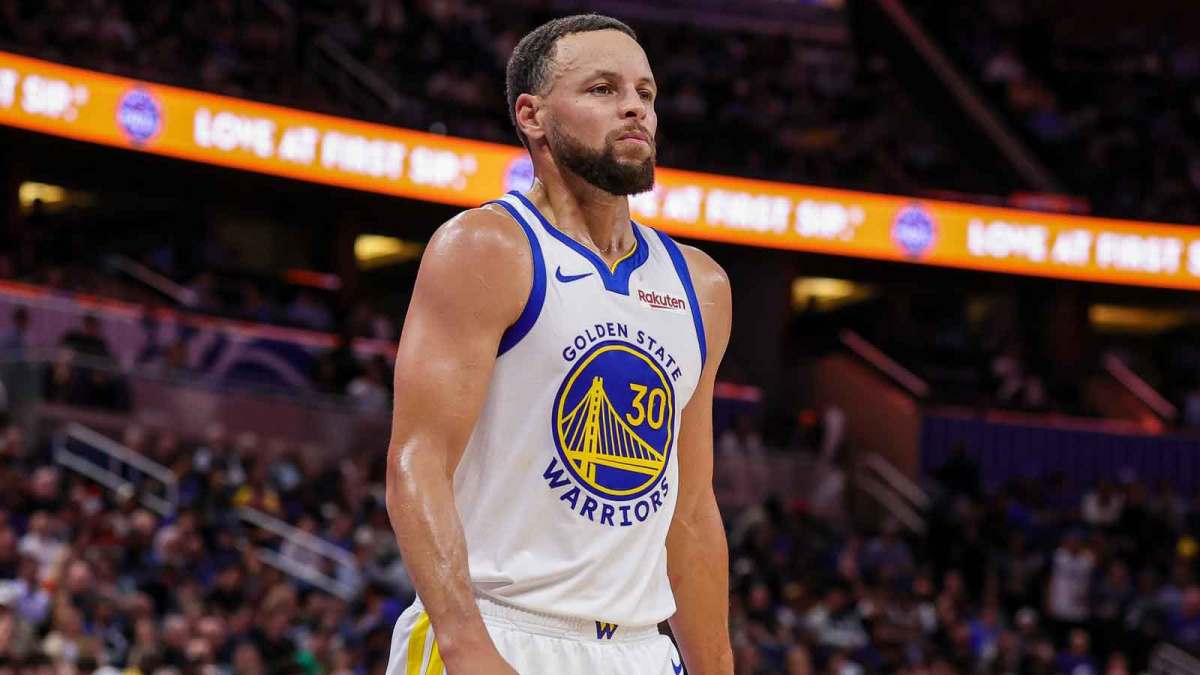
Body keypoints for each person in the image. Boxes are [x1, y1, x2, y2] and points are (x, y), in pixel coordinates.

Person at [383, 14, 732, 675]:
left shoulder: (701, 285)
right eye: (603, 88)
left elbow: (690, 509)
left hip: (640, 648)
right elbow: (416, 461)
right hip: (499, 629)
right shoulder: (487, 248)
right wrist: (465, 645)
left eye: (646, 93)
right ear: (533, 116)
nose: (635, 106)